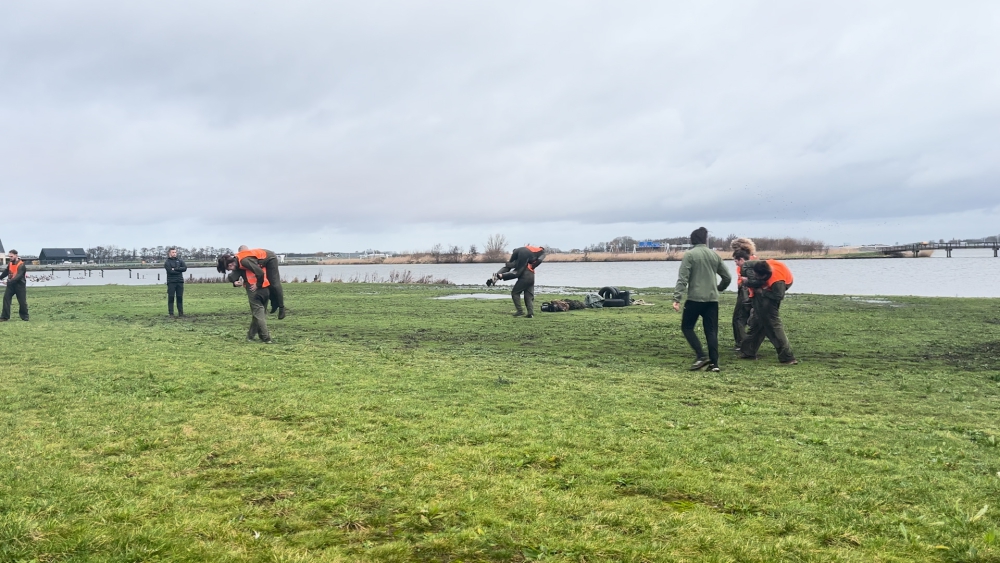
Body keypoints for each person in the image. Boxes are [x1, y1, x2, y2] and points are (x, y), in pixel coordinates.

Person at [672, 228, 731, 372]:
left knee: (687, 327)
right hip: (712, 299)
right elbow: (727, 277)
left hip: (695, 299)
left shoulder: (690, 255)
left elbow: (683, 279)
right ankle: (715, 364)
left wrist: (677, 298)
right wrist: (719, 288)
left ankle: (701, 355)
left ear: (692, 240)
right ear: (705, 240)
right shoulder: (714, 255)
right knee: (711, 331)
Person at [738, 259, 797, 364]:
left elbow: (779, 295)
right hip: (763, 292)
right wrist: (750, 280)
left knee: (772, 323)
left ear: (765, 276)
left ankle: (787, 356)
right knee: (758, 321)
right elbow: (746, 266)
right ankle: (748, 351)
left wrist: (763, 292)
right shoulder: (757, 265)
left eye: (759, 279)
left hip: (772, 293)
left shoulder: (777, 281)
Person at [219, 254, 272, 343]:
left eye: (228, 269)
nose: (229, 270)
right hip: (266, 287)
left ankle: (266, 338)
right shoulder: (256, 259)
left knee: (259, 313)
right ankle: (250, 336)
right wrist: (235, 282)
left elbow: (231, 277)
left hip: (254, 289)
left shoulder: (241, 264)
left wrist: (257, 284)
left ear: (230, 265)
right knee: (258, 313)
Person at [487, 245, 546, 318]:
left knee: (515, 293)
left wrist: (500, 276)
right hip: (532, 278)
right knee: (528, 296)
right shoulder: (529, 260)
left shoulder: (520, 262)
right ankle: (530, 313)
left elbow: (512, 271)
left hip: (524, 278)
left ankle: (520, 311)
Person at [234, 246, 285, 319]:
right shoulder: (238, 259)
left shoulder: (246, 259)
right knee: (268, 283)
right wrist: (234, 281)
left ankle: (281, 307)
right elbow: (236, 270)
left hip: (270, 259)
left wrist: (257, 284)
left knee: (274, 283)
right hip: (262, 261)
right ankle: (274, 302)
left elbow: (258, 270)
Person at [730, 238, 757, 349]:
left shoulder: (745, 262)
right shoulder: (754, 258)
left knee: (738, 318)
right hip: (750, 290)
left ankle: (741, 343)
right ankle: (746, 342)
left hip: (745, 290)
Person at [0, 249, 28, 321]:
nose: (10, 258)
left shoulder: (21, 265)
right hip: (11, 285)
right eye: (9, 256)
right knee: (6, 299)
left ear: (16, 255)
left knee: (22, 301)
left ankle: (25, 316)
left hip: (20, 285)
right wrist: (0, 277)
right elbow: (6, 272)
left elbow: (18, 276)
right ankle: (5, 317)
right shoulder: (10, 263)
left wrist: (8, 282)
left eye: (11, 256)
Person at [164, 247, 187, 317]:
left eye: (175, 252)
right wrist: (179, 270)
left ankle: (181, 312)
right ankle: (171, 313)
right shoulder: (167, 262)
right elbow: (170, 271)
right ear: (169, 253)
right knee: (171, 297)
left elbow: (185, 268)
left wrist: (175, 269)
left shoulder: (180, 261)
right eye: (173, 252)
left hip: (180, 281)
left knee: (179, 297)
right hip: (171, 282)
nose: (174, 254)